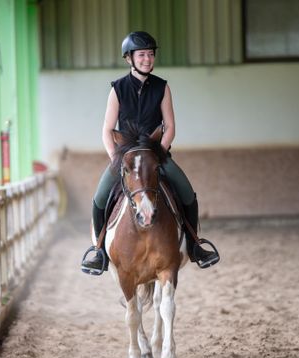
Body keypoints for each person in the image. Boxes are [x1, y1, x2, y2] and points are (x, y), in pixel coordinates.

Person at [81, 31, 220, 275]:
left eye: (151, 54)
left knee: (186, 192)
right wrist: (115, 157)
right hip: (126, 158)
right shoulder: (118, 89)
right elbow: (106, 129)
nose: (147, 59)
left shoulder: (162, 88)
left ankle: (196, 245)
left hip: (156, 154)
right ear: (129, 58)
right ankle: (99, 251)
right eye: (142, 54)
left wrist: (159, 153)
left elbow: (171, 127)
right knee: (100, 197)